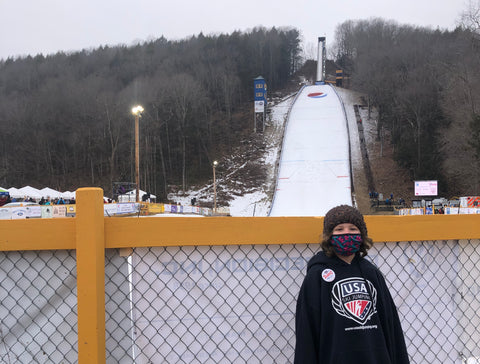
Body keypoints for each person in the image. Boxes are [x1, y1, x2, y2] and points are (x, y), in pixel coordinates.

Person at [294, 204, 409, 364]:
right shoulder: (317, 276)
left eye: (353, 229)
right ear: (329, 236)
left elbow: (391, 325)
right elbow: (306, 330)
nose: (346, 233)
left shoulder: (371, 273)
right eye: (339, 229)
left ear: (361, 235)